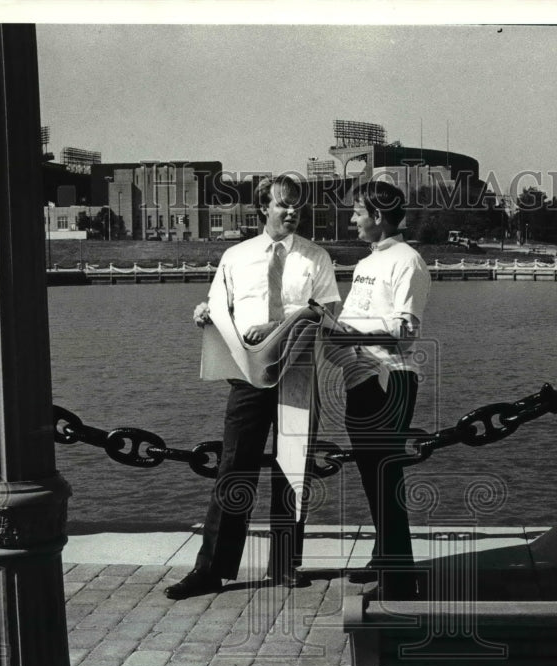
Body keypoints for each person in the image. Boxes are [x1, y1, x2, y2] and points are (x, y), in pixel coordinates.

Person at [165, 175, 341, 599]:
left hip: (298, 371)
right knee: (234, 468)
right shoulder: (235, 256)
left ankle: (284, 566)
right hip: (248, 373)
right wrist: (203, 313)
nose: (291, 211)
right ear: (263, 207)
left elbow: (329, 313)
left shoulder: (316, 258)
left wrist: (281, 324)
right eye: (282, 204)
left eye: (296, 204)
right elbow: (217, 306)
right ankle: (210, 570)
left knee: (293, 467)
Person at [335, 180, 431, 598]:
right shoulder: (365, 264)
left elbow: (404, 333)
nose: (352, 219)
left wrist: (344, 330)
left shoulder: (407, 262)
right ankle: (386, 556)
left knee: (385, 476)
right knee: (372, 477)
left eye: (358, 212)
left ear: (377, 216)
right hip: (359, 378)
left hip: (391, 379)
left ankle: (399, 579)